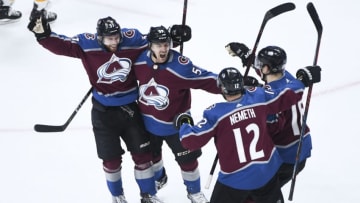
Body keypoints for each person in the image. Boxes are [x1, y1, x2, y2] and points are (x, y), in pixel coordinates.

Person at [27, 14, 188, 203]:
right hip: (102, 113)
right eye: (110, 39)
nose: (115, 42)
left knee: (143, 156)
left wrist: (174, 36)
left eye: (117, 37)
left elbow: (155, 43)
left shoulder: (132, 40)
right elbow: (63, 45)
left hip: (130, 110)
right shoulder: (87, 44)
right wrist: (44, 35)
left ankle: (149, 196)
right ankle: (118, 197)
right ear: (99, 37)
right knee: (111, 161)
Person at [174, 66, 320, 203]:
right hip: (266, 173)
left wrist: (184, 123)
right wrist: (302, 80)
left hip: (235, 179)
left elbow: (190, 141)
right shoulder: (258, 97)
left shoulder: (216, 114)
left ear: (222, 89)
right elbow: (286, 96)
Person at [133, 25, 221, 203]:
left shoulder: (180, 67)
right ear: (150, 45)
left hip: (176, 125)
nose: (163, 49)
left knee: (188, 161)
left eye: (166, 44)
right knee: (152, 157)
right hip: (147, 124)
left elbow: (206, 79)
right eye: (158, 45)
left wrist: (232, 84)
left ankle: (194, 192)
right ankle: (159, 179)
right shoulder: (138, 61)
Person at [226, 42, 320, 201]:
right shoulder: (287, 79)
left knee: (255, 194)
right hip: (301, 147)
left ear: (267, 69)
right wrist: (247, 56)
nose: (258, 67)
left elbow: (273, 127)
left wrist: (250, 94)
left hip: (286, 156)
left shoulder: (271, 96)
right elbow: (268, 74)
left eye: (260, 65)